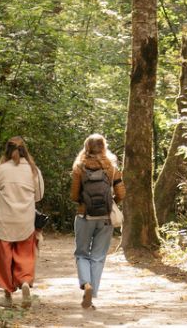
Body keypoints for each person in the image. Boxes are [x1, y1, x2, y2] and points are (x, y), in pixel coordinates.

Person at [69, 133, 124, 310]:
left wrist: (84, 202)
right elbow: (121, 193)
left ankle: (86, 284)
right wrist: (111, 203)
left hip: (85, 216)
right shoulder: (112, 167)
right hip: (105, 218)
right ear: (104, 147)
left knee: (81, 253)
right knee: (98, 257)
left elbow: (74, 195)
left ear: (86, 147)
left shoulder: (79, 166)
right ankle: (91, 295)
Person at [0, 136, 43, 307]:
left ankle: (7, 295)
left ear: (7, 150)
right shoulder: (34, 171)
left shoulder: (2, 169)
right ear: (25, 150)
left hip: (3, 219)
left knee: (4, 257)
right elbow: (39, 195)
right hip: (25, 220)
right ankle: (25, 283)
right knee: (25, 255)